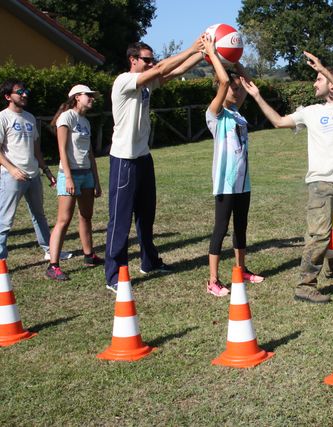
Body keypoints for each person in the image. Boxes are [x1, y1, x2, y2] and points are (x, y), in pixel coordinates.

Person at [242, 51, 333, 303]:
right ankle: (304, 285)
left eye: (318, 79)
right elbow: (278, 121)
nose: (314, 83)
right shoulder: (310, 111)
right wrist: (257, 96)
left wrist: (323, 68)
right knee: (319, 235)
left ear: (331, 82)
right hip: (320, 184)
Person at [104, 38, 204, 292]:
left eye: (152, 59)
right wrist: (193, 47)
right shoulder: (123, 81)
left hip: (143, 157)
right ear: (133, 60)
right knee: (121, 219)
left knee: (146, 216)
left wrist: (204, 55)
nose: (152, 63)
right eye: (146, 59)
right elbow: (161, 69)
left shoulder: (146, 86)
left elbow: (175, 71)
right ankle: (114, 274)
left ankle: (149, 261)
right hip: (124, 159)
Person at [202, 35, 264, 297]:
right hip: (225, 183)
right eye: (232, 88)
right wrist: (212, 52)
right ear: (221, 90)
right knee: (221, 229)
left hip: (243, 181)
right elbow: (225, 80)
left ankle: (241, 269)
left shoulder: (237, 113)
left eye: (237, 89)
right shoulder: (215, 114)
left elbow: (248, 83)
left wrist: (237, 61)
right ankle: (213, 280)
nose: (236, 91)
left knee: (241, 227)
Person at [0, 79, 72, 262]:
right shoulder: (3, 117)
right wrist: (12, 170)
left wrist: (47, 171)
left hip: (33, 176)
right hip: (12, 177)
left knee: (39, 215)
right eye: (19, 92)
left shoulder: (30, 118)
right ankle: (1, 258)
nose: (25, 94)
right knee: (5, 220)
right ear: (8, 96)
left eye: (26, 91)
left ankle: (50, 250)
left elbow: (36, 150)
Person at [45, 84, 103, 281]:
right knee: (64, 219)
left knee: (86, 216)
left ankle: (89, 255)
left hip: (86, 174)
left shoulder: (85, 122)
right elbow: (62, 150)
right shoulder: (67, 117)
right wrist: (68, 177)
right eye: (89, 95)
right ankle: (53, 266)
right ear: (77, 97)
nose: (92, 98)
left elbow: (90, 153)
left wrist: (96, 179)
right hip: (69, 174)